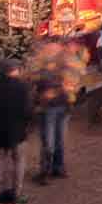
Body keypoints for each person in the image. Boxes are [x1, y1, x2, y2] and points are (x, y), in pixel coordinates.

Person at [0, 62, 36, 192]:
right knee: (18, 161)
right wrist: (28, 123)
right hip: (17, 130)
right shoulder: (22, 87)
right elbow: (27, 110)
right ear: (15, 70)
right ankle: (16, 192)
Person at [28, 38, 73, 179]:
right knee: (50, 141)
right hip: (51, 108)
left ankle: (54, 168)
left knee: (56, 140)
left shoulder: (61, 65)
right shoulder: (40, 68)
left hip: (59, 107)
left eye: (56, 49)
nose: (55, 51)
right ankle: (48, 170)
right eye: (52, 49)